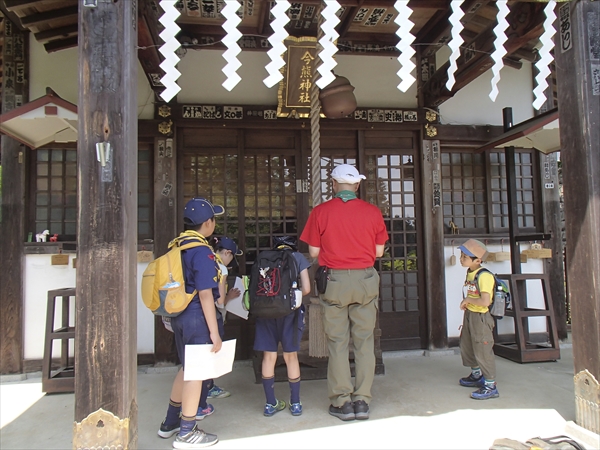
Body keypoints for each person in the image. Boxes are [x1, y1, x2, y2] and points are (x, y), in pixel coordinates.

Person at [299, 164, 388, 421]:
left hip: (335, 280)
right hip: (365, 279)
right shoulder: (372, 212)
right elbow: (379, 252)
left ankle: (342, 402)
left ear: (333, 184)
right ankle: (362, 401)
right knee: (364, 341)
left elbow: (314, 253)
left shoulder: (321, 211)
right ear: (357, 185)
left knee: (337, 343)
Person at [157, 198, 224, 449]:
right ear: (207, 223)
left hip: (180, 317)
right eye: (214, 219)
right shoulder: (202, 252)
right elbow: (206, 294)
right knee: (197, 373)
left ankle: (170, 422)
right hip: (197, 317)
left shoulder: (177, 248)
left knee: (186, 369)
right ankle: (187, 431)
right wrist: (215, 334)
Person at [253, 236, 311, 417]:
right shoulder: (297, 257)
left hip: (264, 312)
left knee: (268, 357)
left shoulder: (264, 257)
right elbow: (307, 288)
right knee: (290, 357)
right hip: (289, 313)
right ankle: (295, 403)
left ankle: (270, 403)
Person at [197, 236, 243, 403]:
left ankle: (205, 387)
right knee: (212, 352)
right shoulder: (221, 269)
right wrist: (229, 296)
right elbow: (220, 300)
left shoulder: (206, 260)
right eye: (232, 257)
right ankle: (208, 388)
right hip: (213, 317)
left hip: (198, 314)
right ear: (227, 253)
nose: (231, 261)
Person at [457, 238, 499, 400]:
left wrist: (467, 301)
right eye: (462, 256)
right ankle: (476, 375)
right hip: (470, 315)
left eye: (465, 257)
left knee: (482, 349)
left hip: (481, 317)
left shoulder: (484, 276)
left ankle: (490, 385)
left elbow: (485, 301)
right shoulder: (470, 273)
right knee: (467, 345)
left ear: (478, 260)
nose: (461, 259)